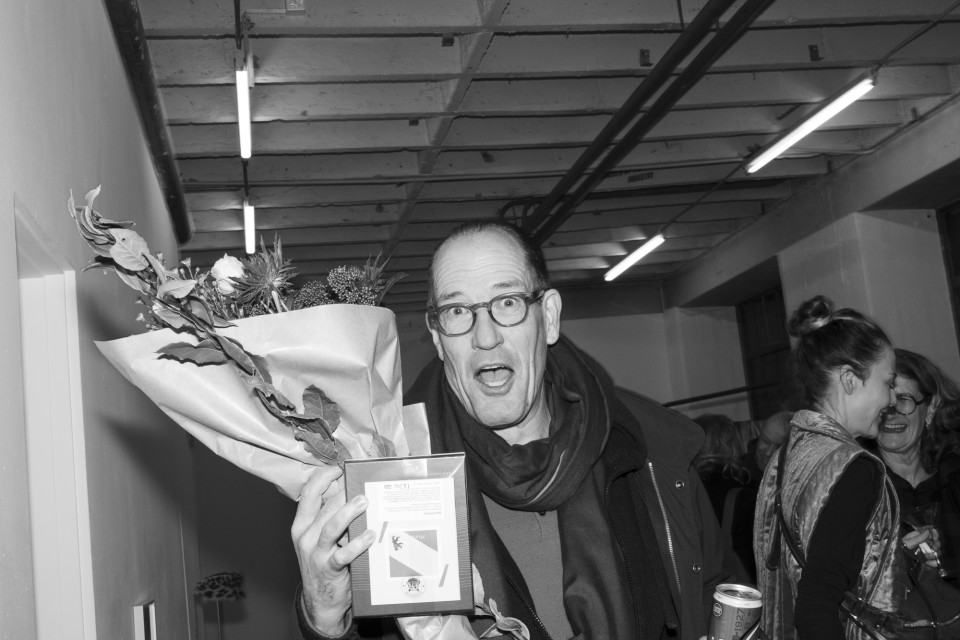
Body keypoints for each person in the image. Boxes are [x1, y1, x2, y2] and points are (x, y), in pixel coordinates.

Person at [291, 219, 744, 640]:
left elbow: (714, 595)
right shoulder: (391, 480)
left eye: (507, 302)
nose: (485, 336)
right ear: (437, 336)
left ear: (549, 316)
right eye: (457, 310)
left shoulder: (650, 450)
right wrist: (325, 615)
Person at [754, 296, 940, 640]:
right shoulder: (853, 467)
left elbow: (815, 558)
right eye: (888, 383)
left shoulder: (786, 456)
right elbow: (816, 603)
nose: (890, 399)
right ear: (850, 380)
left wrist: (892, 555)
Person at [872, 348, 960, 586]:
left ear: (931, 407)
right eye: (885, 400)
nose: (891, 412)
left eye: (904, 399)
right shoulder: (862, 488)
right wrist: (895, 563)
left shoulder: (953, 478)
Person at [693, 414, 758, 581]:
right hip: (736, 585)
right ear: (732, 444)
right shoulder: (743, 490)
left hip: (697, 582)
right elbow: (753, 556)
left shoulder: (682, 487)